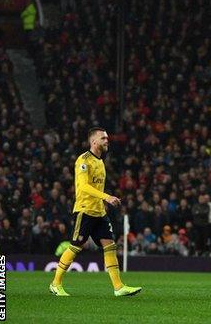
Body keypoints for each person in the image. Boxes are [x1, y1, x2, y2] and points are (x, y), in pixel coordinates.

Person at [49, 127, 141, 297]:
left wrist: (103, 202)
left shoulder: (100, 162)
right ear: (94, 141)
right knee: (76, 246)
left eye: (107, 138)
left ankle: (118, 287)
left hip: (99, 213)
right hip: (85, 211)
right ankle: (55, 284)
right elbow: (83, 187)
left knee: (110, 246)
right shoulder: (83, 160)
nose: (107, 141)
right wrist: (106, 197)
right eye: (103, 138)